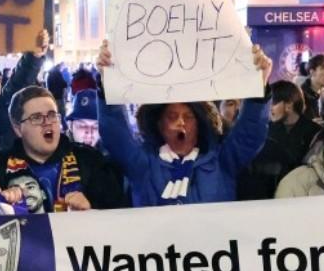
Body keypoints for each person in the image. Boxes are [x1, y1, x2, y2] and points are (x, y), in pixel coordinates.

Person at [95, 41, 271, 207]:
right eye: (172, 117)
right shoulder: (142, 164)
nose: (181, 122)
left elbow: (249, 135)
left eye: (189, 117)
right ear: (159, 125)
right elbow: (115, 134)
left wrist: (259, 85)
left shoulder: (222, 161)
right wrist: (108, 83)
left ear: (199, 124)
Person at [0, 86, 124, 235]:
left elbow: (121, 219)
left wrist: (91, 211)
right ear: (18, 128)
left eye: (52, 115)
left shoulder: (90, 160)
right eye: (37, 117)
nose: (47, 122)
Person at [237, 80, 320, 200]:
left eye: (273, 103)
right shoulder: (267, 129)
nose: (269, 109)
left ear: (289, 105)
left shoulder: (314, 132)